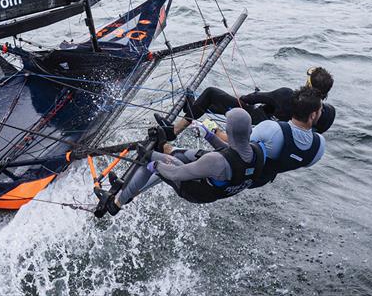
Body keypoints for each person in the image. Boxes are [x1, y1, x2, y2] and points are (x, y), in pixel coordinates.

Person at [96, 108, 265, 217]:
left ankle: (115, 204)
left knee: (153, 158)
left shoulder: (215, 161)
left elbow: (176, 173)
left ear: (228, 131)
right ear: (250, 131)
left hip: (194, 191)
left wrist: (154, 162)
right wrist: (208, 135)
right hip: (218, 184)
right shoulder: (257, 152)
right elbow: (233, 153)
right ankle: (131, 189)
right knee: (188, 155)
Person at [171, 66, 335, 138]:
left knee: (211, 93)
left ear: (308, 84)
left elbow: (254, 98)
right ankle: (192, 108)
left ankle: (174, 131)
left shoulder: (287, 95)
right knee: (214, 106)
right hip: (272, 132)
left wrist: (245, 99)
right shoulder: (325, 114)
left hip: (256, 121)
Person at [249, 86, 326, 188]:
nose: (321, 113)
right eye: (321, 110)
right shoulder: (319, 145)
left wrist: (219, 133)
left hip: (240, 176)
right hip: (261, 181)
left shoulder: (272, 129)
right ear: (312, 115)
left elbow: (237, 143)